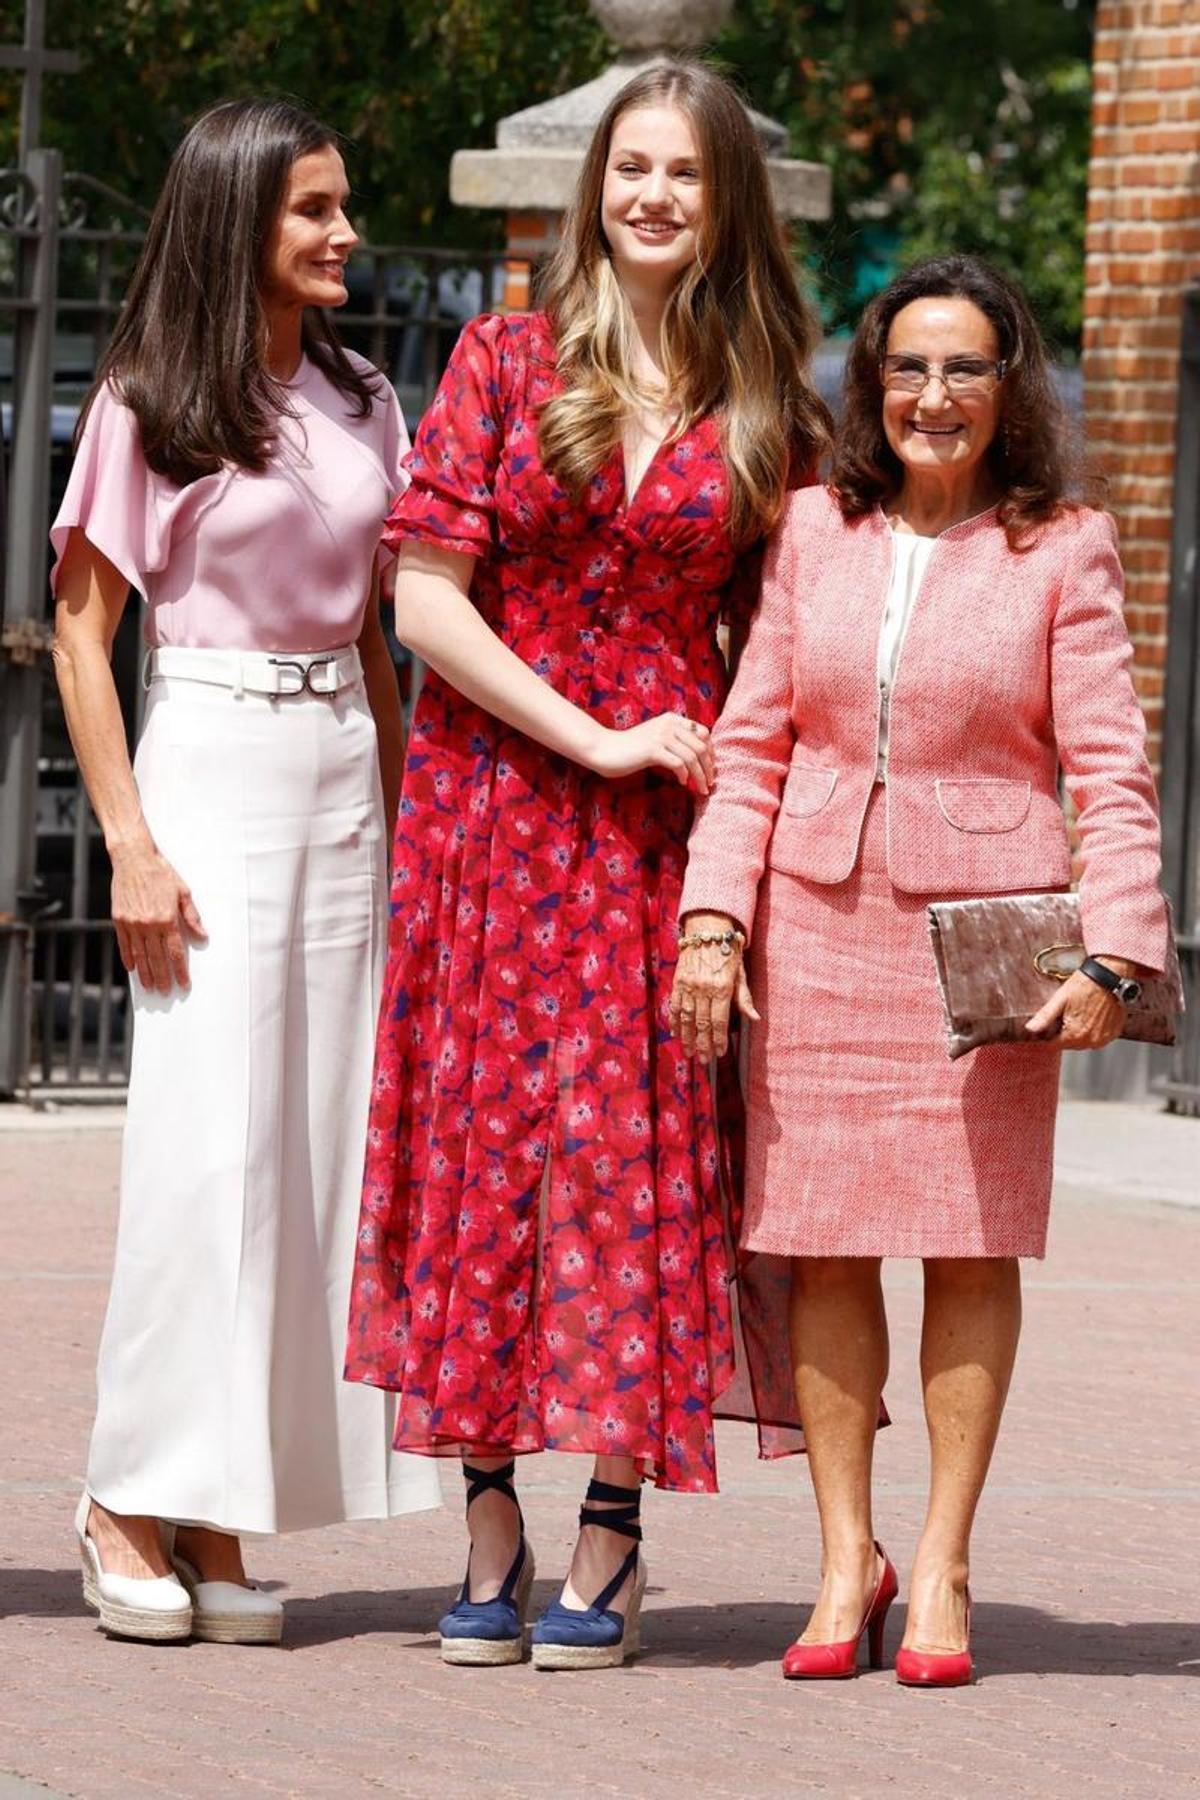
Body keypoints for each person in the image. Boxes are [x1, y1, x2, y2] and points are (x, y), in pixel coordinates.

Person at [344, 60, 830, 1670]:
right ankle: (487, 1508)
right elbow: (425, 604)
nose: (655, 198)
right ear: (591, 185)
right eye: (633, 169)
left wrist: (745, 865)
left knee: (635, 1164)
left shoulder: (767, 395)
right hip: (493, 814)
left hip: (657, 844)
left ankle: (612, 1529)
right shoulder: (504, 356)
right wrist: (598, 734)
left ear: (726, 199)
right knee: (487, 1144)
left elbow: (782, 646)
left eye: (687, 175)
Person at [673, 254, 1168, 1687]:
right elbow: (754, 739)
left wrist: (1118, 952)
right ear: (869, 383)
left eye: (964, 368)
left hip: (989, 947)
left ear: (1010, 389)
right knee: (821, 1241)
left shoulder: (1063, 545)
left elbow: (1113, 771)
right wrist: (715, 916)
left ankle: (941, 1563)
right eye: (907, 367)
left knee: (968, 1240)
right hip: (815, 926)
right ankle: (844, 1559)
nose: (932, 396)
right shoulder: (811, 530)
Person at [51, 98, 440, 1646]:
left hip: (344, 763)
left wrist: (413, 833)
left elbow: (383, 638)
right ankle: (123, 1495)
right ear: (239, 221)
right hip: (206, 762)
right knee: (208, 1152)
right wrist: (132, 841)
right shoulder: (152, 398)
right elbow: (83, 635)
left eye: (345, 205)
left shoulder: (361, 393)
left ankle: (221, 1513)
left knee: (310, 1159)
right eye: (314, 210)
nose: (345, 232)